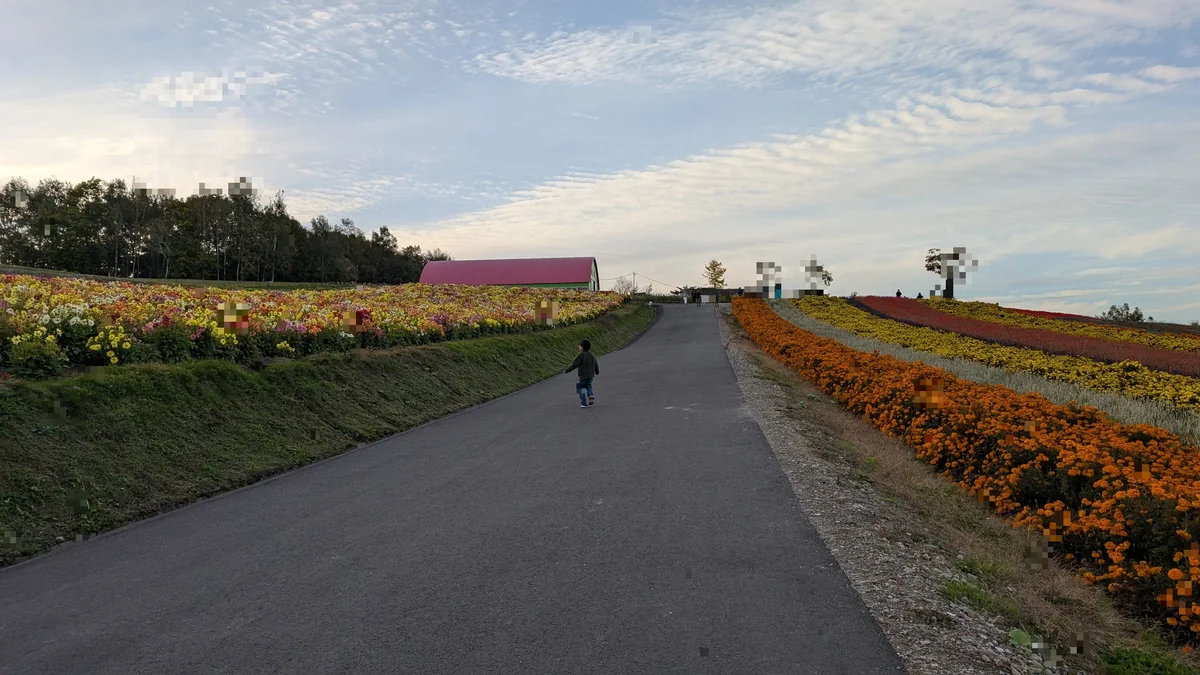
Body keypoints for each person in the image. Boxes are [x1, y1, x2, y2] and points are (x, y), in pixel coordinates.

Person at [562, 339, 599, 408]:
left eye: (579, 346)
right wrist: (597, 371)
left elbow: (574, 365)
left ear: (581, 347)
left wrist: (566, 370)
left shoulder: (580, 355)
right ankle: (591, 395)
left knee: (580, 388)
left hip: (582, 375)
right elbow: (595, 364)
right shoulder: (592, 355)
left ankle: (583, 403)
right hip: (591, 374)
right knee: (589, 386)